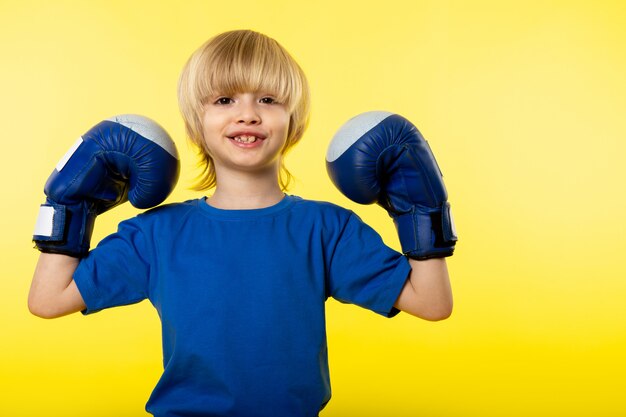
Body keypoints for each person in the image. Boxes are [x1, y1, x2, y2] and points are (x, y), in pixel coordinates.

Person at [29, 30, 455, 417]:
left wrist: (421, 211)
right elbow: (48, 300)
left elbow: (432, 303)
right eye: (224, 100)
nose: (248, 114)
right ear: (197, 123)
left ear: (294, 122)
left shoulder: (326, 228)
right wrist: (70, 207)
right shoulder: (156, 234)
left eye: (268, 100)